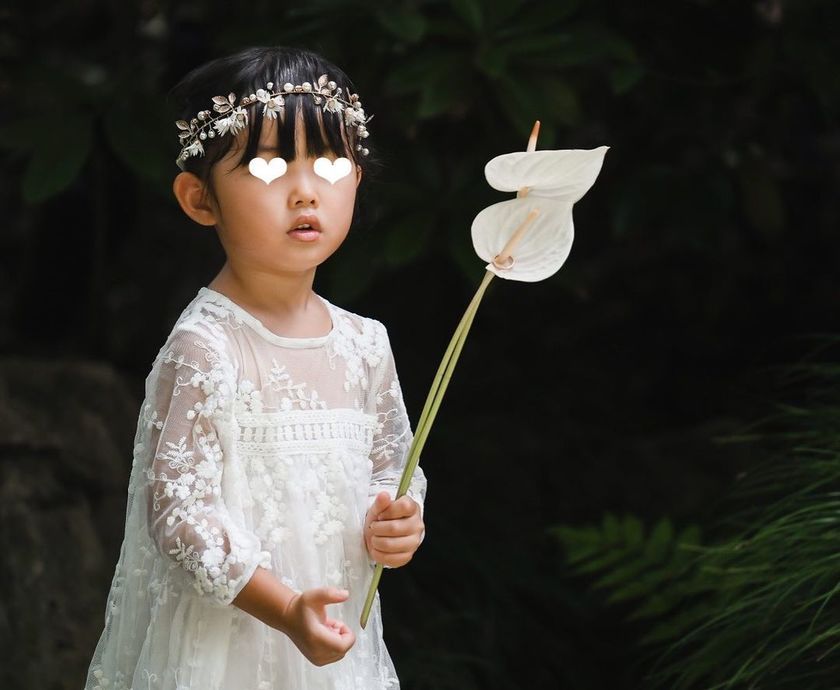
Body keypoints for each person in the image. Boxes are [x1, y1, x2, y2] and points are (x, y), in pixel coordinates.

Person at [83, 45, 428, 690]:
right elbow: (179, 512)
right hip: (233, 644)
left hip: (334, 639)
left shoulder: (364, 344)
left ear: (358, 176)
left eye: (328, 163)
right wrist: (284, 609)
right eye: (268, 168)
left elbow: (393, 465)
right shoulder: (208, 348)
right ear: (199, 199)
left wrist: (400, 518)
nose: (304, 191)